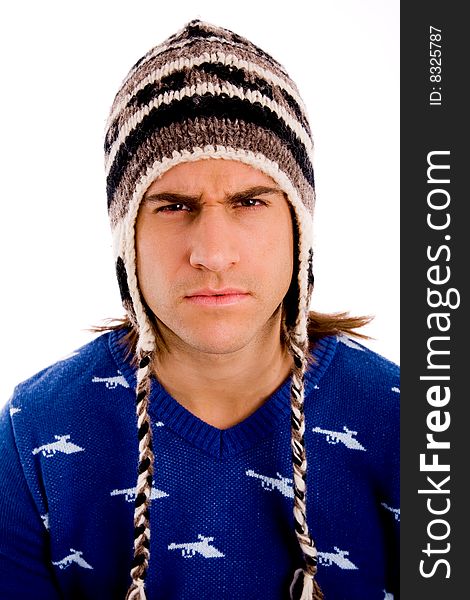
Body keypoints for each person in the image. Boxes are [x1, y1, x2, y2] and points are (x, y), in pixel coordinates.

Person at [0, 19, 399, 600]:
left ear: (299, 228)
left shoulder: (413, 427)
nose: (212, 254)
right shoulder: (33, 435)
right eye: (174, 205)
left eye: (249, 201)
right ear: (126, 237)